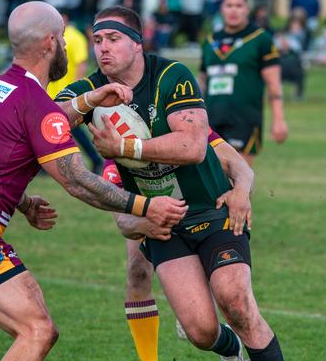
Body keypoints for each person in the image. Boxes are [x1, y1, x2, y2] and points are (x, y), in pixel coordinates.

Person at [0, 1, 186, 360]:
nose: (67, 46)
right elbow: (78, 181)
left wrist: (23, 201)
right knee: (37, 330)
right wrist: (147, 206)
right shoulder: (34, 101)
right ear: (50, 43)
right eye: (64, 39)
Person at [55, 5, 284, 361]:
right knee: (201, 332)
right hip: (165, 224)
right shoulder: (92, 89)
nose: (103, 48)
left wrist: (241, 190)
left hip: (212, 208)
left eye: (113, 39)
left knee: (235, 302)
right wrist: (89, 100)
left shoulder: (171, 76)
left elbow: (195, 148)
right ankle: (229, 348)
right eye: (97, 40)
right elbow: (51, 122)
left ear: (136, 43)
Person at [100, 129, 254, 361]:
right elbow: (124, 223)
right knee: (137, 272)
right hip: (149, 207)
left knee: (219, 295)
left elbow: (237, 164)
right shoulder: (119, 149)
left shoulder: (182, 119)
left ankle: (200, 305)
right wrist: (143, 226)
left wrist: (241, 191)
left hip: (199, 207)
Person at [200, 0, 288, 167]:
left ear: (247, 9)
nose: (234, 10)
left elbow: (274, 84)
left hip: (244, 119)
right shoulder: (210, 41)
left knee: (239, 181)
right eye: (229, 5)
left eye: (239, 5)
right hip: (212, 118)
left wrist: (279, 119)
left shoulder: (261, 39)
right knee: (212, 184)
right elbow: (202, 81)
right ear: (221, 9)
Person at [47, 9, 104, 174]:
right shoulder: (56, 36)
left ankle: (94, 159)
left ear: (64, 18)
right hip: (52, 92)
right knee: (60, 129)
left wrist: (75, 88)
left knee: (73, 129)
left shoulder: (74, 37)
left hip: (65, 92)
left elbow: (81, 63)